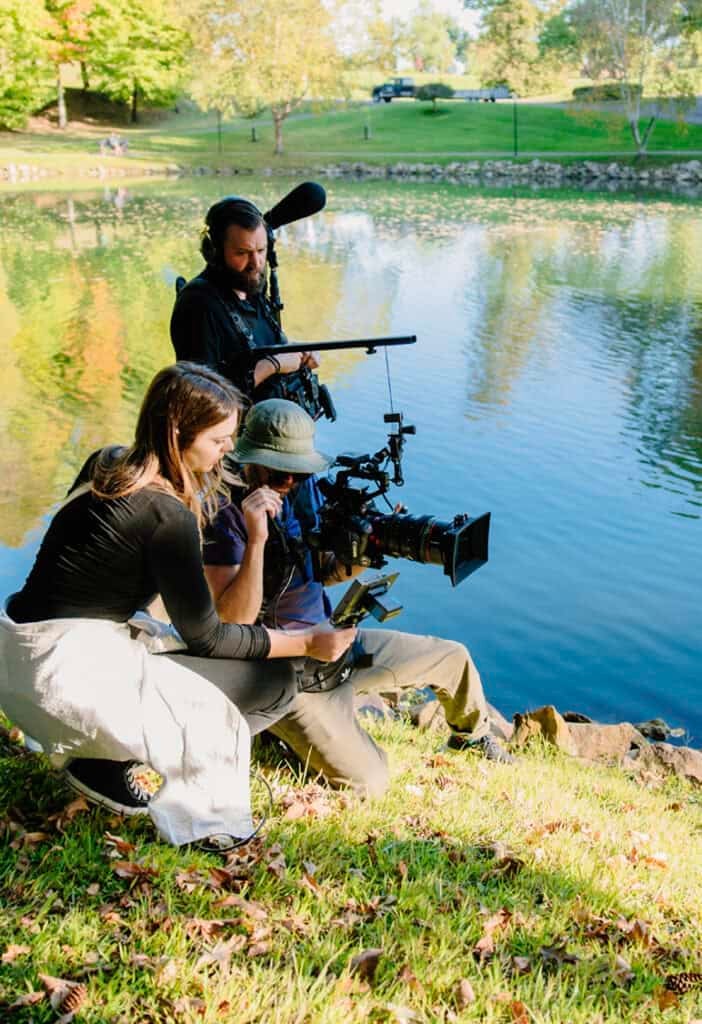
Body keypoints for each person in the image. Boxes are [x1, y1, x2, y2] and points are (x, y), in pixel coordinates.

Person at [0, 365, 355, 849]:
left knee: (173, 653)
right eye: (218, 439)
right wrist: (307, 642)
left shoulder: (106, 462)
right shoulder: (168, 516)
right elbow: (209, 636)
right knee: (275, 680)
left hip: (18, 659)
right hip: (62, 680)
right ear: (177, 434)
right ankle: (123, 764)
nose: (229, 448)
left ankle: (101, 757)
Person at [202, 399, 514, 800]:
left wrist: (366, 549)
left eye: (300, 470)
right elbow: (232, 621)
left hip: (338, 646)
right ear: (251, 460)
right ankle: (279, 737)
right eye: (281, 470)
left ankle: (470, 739)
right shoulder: (223, 514)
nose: (291, 480)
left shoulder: (302, 493)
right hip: (286, 675)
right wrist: (257, 537)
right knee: (371, 781)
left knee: (453, 658)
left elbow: (325, 573)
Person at [170, 195, 319, 402]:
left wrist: (296, 354)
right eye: (242, 253)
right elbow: (201, 397)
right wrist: (271, 365)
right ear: (214, 252)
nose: (256, 263)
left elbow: (253, 349)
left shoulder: (251, 289)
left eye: (261, 250)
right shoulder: (198, 304)